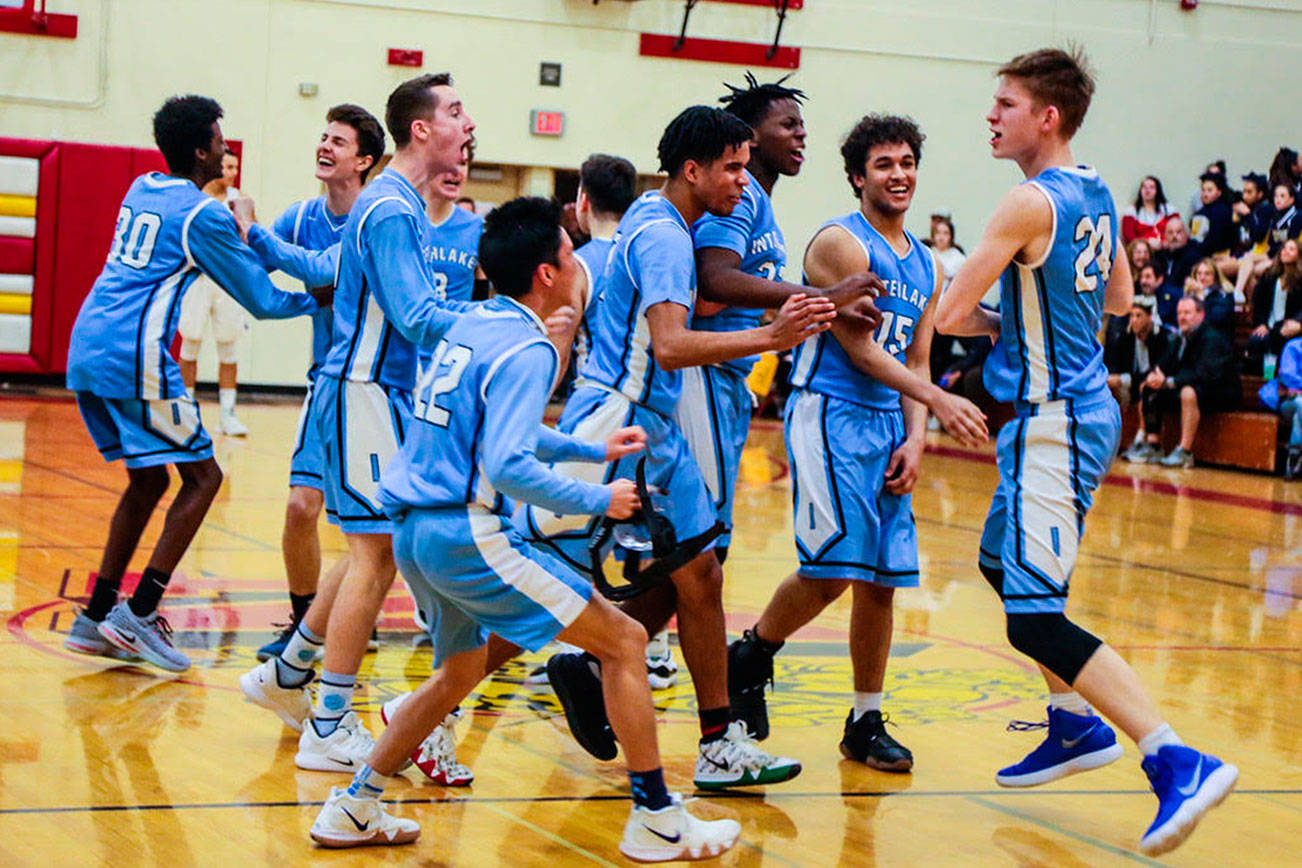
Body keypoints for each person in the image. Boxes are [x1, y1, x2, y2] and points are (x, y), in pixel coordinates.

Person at [307, 197, 742, 861]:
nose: (578, 264)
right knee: (624, 641)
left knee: (457, 674)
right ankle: (656, 816)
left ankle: (355, 806)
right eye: (569, 255)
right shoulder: (531, 349)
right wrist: (599, 497)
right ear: (547, 273)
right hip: (462, 533)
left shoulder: (475, 323)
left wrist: (589, 450)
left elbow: (496, 430)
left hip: (415, 533)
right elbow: (506, 464)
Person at [933, 48, 1237, 856]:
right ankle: (1072, 726)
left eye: (1004, 104)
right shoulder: (1095, 188)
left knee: (1034, 617)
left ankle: (1174, 755)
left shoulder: (1026, 202)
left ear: (1047, 116)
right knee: (1003, 568)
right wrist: (1038, 321)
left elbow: (952, 312)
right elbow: (1119, 299)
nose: (991, 117)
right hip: (1073, 407)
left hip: (1056, 420)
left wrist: (1002, 323)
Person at [521, 105, 835, 790]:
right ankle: (411, 711)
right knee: (536, 591)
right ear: (692, 170)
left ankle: (717, 741)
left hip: (650, 429)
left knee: (700, 576)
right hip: (622, 425)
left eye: (746, 168)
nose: (743, 183)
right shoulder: (664, 237)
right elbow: (670, 344)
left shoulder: (659, 221)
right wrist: (772, 338)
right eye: (731, 168)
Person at [726, 114, 988, 770]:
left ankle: (865, 721)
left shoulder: (926, 262)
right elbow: (864, 351)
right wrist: (937, 402)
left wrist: (918, 438)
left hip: (888, 426)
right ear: (856, 177)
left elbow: (919, 356)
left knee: (883, 582)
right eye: (884, 165)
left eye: (906, 162)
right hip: (829, 414)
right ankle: (752, 651)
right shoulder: (840, 245)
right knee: (835, 570)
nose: (899, 174)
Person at [238, 73, 477, 774]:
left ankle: (286, 675)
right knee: (376, 556)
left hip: (374, 394)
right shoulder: (394, 209)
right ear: (422, 131)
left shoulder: (387, 204)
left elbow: (339, 276)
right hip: (367, 391)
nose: (467, 123)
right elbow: (418, 317)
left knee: (367, 551)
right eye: (456, 111)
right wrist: (506, 322)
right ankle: (329, 722)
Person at [62, 95, 324, 671]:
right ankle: (141, 610)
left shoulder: (143, 187)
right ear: (202, 149)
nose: (227, 148)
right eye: (220, 140)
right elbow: (261, 297)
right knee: (205, 477)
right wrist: (320, 300)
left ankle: (94, 615)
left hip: (87, 347)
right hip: (133, 355)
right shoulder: (202, 215)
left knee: (148, 482)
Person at [681, 73, 879, 565]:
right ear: (750, 137)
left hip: (726, 377)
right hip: (703, 373)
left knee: (700, 547)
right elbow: (713, 277)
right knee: (700, 550)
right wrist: (822, 295)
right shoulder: (742, 198)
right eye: (788, 124)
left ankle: (636, 642)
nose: (801, 134)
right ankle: (616, 643)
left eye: (802, 125)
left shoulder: (756, 200)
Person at [224, 105, 386, 665]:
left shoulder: (376, 217)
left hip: (379, 388)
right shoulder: (301, 215)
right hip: (327, 381)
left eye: (338, 142)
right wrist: (239, 235)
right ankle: (303, 627)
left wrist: (254, 229)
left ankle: (358, 617)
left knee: (376, 527)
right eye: (323, 137)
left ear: (364, 160)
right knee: (300, 508)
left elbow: (319, 269)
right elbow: (259, 269)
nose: (325, 146)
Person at [175, 150, 252, 436]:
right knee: (190, 344)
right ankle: (185, 412)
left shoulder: (239, 199)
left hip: (227, 282)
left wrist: (245, 221)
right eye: (228, 166)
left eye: (235, 167)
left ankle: (227, 415)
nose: (232, 171)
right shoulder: (196, 197)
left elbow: (253, 238)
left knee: (228, 348)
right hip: (197, 279)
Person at [1137, 295, 1240, 468]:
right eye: (1179, 313)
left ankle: (1184, 451)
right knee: (1149, 387)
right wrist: (1154, 376)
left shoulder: (1212, 338)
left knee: (1188, 392)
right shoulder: (1179, 338)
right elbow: (1163, 365)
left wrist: (1169, 382)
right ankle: (1153, 444)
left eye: (1187, 312)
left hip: (1220, 392)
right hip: (1192, 386)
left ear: (1201, 315)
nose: (1181, 317)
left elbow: (1204, 375)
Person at [1111, 297, 1174, 461]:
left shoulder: (1163, 338)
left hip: (1158, 387)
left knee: (1146, 387)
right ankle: (1112, 440)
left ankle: (1141, 440)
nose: (1134, 320)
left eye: (1139, 316)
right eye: (1131, 316)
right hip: (1132, 385)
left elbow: (1157, 371)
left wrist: (1124, 379)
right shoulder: (1124, 338)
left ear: (1150, 317)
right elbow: (1116, 367)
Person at [1248, 238, 1302, 367]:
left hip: (1290, 326)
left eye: (1291, 249)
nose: (1286, 252)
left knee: (1281, 339)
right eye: (1284, 248)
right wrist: (1261, 323)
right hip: (1269, 325)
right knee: (1255, 340)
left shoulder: (1301, 280)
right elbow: (1259, 303)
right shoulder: (1270, 276)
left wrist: (1298, 322)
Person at [1183, 257, 1234, 343]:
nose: (1202, 278)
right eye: (1199, 274)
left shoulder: (1224, 294)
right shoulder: (1190, 294)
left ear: (1215, 277)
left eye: (1207, 274)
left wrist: (1201, 296)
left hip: (1216, 341)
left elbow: (1215, 319)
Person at [1121, 175, 1176, 245]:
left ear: (1157, 191)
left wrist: (1164, 244)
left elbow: (1177, 232)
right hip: (1141, 252)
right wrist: (1147, 243)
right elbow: (1129, 237)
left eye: (1151, 187)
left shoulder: (1168, 210)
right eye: (1144, 187)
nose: (1147, 190)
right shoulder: (1131, 212)